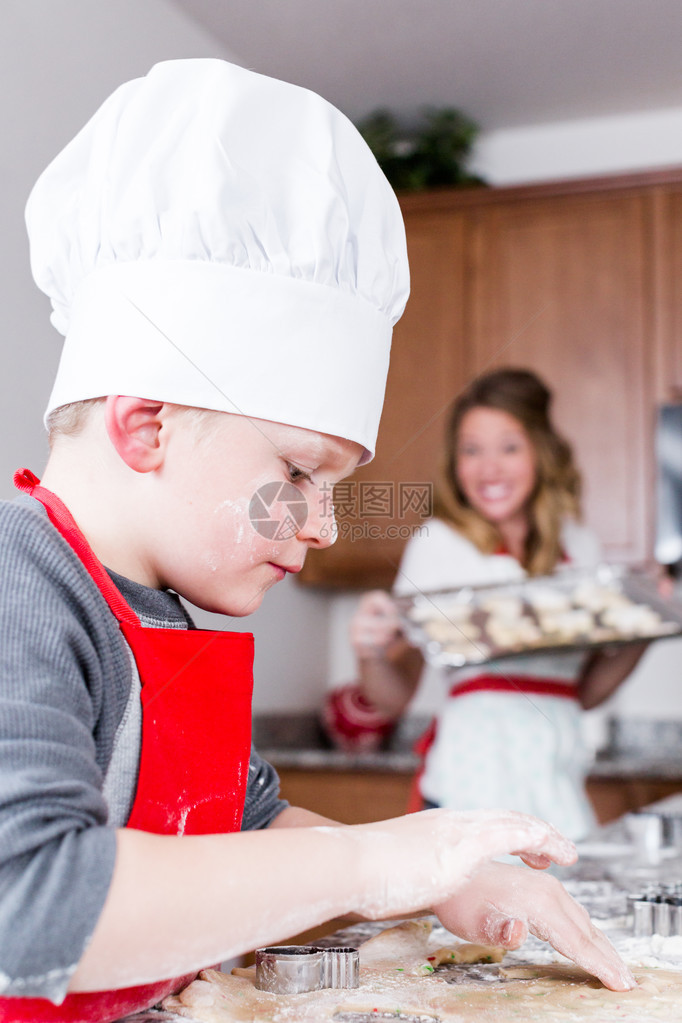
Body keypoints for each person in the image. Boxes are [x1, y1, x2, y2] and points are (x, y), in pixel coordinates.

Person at [0, 60, 635, 1023]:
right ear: (147, 427)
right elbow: (32, 903)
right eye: (301, 472)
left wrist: (438, 882)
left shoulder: (159, 610)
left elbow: (245, 829)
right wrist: (371, 861)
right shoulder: (22, 585)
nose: (327, 524)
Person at [346, 368, 646, 838]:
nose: (489, 468)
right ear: (454, 461)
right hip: (470, 790)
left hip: (559, 787)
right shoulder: (439, 544)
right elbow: (395, 695)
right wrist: (370, 652)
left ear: (541, 453)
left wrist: (639, 636)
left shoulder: (580, 548)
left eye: (509, 447)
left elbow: (582, 693)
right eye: (471, 450)